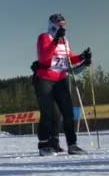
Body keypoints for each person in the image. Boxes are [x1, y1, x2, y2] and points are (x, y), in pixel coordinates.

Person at [32, 13, 91, 156]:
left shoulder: (65, 42)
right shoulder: (44, 37)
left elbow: (69, 60)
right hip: (45, 79)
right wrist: (56, 39)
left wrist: (82, 57)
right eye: (59, 25)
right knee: (48, 113)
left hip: (61, 79)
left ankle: (72, 144)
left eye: (63, 26)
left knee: (68, 112)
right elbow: (44, 58)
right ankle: (44, 145)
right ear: (52, 25)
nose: (62, 28)